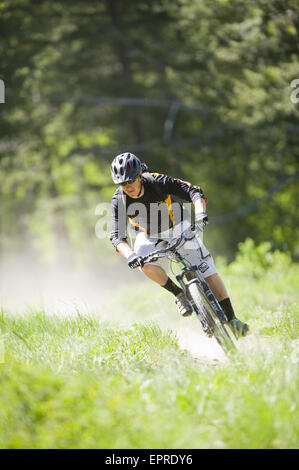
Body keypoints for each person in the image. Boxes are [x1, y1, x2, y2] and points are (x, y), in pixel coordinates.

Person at [109, 152, 249, 337]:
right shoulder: (119, 200)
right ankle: (179, 295)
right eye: (122, 184)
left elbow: (193, 191)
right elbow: (117, 236)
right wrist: (131, 256)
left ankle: (232, 320)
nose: (128, 187)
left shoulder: (157, 181)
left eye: (130, 181)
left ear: (139, 176)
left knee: (207, 269)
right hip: (149, 235)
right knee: (143, 263)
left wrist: (200, 214)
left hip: (177, 226)